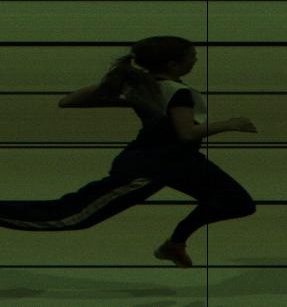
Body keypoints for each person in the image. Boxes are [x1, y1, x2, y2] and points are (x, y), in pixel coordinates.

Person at [0, 36, 258, 267]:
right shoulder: (175, 93)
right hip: (151, 166)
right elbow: (187, 133)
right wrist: (230, 124)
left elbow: (69, 100)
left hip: (181, 162)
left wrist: (120, 89)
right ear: (173, 64)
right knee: (72, 215)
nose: (196, 60)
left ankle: (175, 244)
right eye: (192, 56)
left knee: (237, 202)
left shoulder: (149, 88)